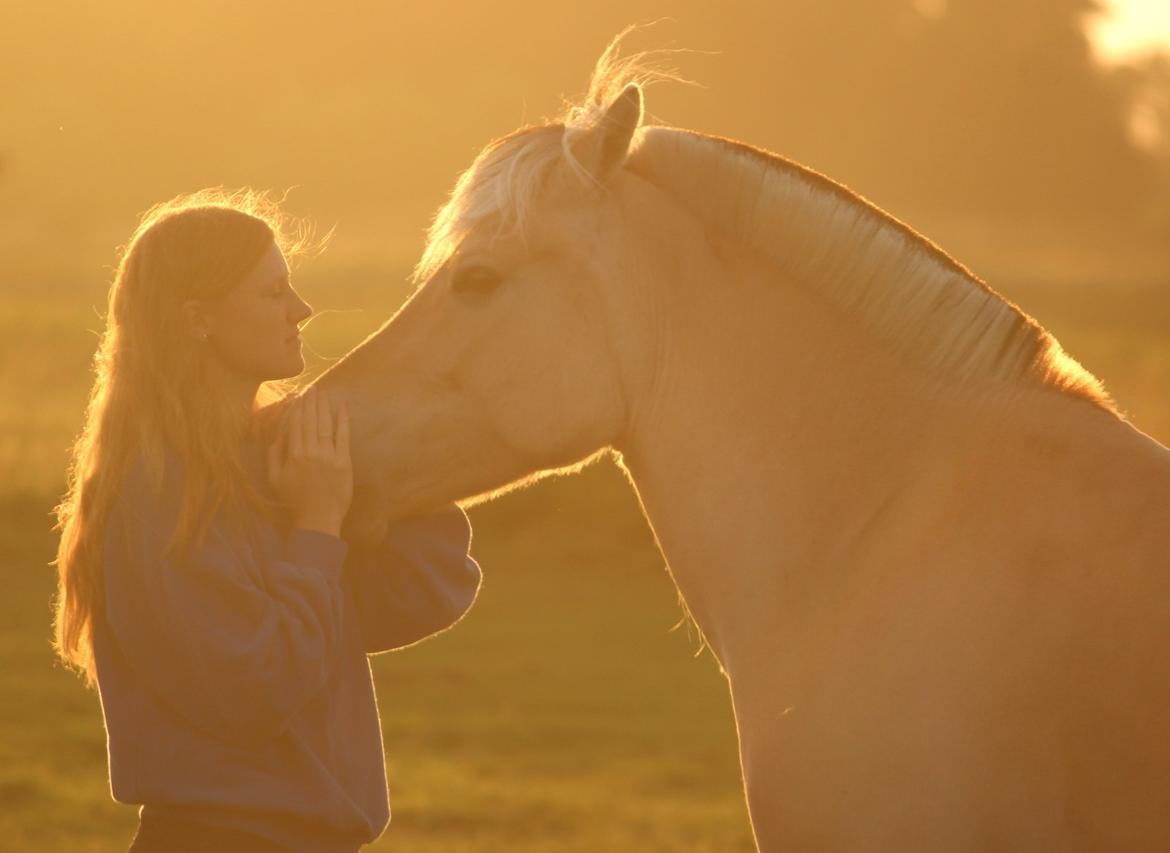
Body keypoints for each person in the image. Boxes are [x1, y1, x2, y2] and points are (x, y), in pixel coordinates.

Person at [51, 188, 482, 852]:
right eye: (273, 292)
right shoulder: (157, 495)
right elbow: (253, 691)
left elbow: (423, 589)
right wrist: (318, 523)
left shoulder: (276, 465)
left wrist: (375, 470)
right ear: (199, 319)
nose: (301, 309)